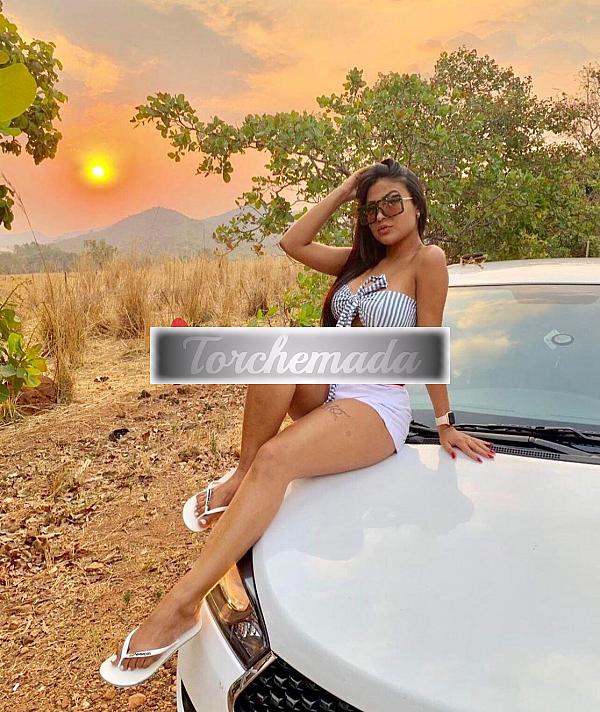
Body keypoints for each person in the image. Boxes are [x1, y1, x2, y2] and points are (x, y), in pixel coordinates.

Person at [100, 158, 495, 685]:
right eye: (371, 208)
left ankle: (180, 606)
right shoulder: (358, 262)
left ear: (417, 207)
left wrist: (445, 421)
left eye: (392, 203)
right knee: (277, 349)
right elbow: (293, 242)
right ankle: (241, 475)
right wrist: (347, 188)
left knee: (278, 457)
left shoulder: (429, 260)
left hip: (377, 404)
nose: (381, 215)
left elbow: (428, 343)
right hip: (331, 388)